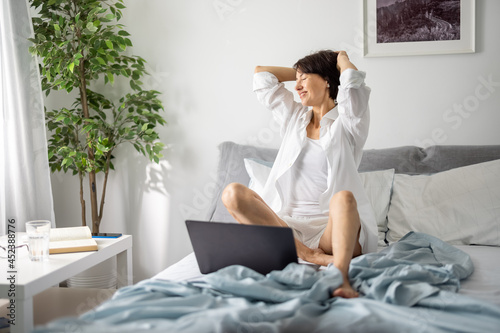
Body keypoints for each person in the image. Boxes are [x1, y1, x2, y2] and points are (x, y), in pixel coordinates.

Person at [221, 50, 377, 298]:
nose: (296, 86)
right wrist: (302, 72)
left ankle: (342, 278)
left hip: (331, 230)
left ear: (327, 80)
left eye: (304, 78)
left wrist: (341, 59)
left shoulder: (348, 125)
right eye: (297, 78)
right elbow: (262, 75)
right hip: (288, 227)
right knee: (232, 194)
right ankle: (307, 254)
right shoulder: (294, 118)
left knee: (345, 198)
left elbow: (353, 85)